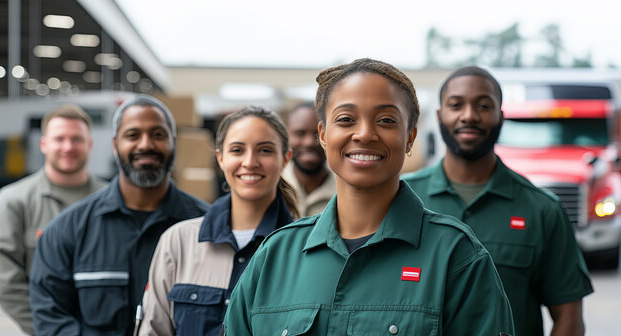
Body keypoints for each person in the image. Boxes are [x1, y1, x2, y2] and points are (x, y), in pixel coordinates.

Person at [222, 58, 514, 335]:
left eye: (386, 120)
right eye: (346, 119)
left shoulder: (457, 257)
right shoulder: (275, 256)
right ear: (323, 134)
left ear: (410, 136)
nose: (364, 134)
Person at [403, 66, 593, 336]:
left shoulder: (543, 210)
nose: (469, 116)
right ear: (439, 115)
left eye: (483, 105)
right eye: (456, 105)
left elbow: (569, 319)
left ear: (500, 117)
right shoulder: (402, 198)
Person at [29, 95, 210, 335]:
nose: (145, 144)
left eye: (158, 134)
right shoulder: (65, 231)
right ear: (115, 145)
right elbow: (51, 319)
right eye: (133, 135)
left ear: (173, 143)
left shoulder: (208, 229)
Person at [138, 106, 296, 336]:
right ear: (220, 158)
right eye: (237, 150)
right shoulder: (178, 242)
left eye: (264, 150)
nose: (250, 162)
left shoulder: (304, 248)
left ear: (285, 158)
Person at [0, 104, 106, 335]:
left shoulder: (111, 201)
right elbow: (7, 283)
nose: (68, 147)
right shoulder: (14, 200)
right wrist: (53, 330)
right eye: (59, 138)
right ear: (44, 144)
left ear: (90, 144)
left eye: (77, 139)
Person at [281, 102, 336, 216]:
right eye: (300, 133)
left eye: (318, 134)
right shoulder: (273, 187)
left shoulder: (347, 189)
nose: (309, 142)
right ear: (286, 137)